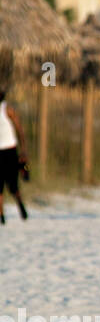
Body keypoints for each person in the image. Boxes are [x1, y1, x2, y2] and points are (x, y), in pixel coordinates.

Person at [0, 89, 29, 224]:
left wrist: (23, 150)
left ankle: (19, 204)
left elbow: (19, 129)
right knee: (4, 185)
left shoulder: (7, 109)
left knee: (12, 183)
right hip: (4, 151)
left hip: (10, 150)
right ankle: (2, 216)